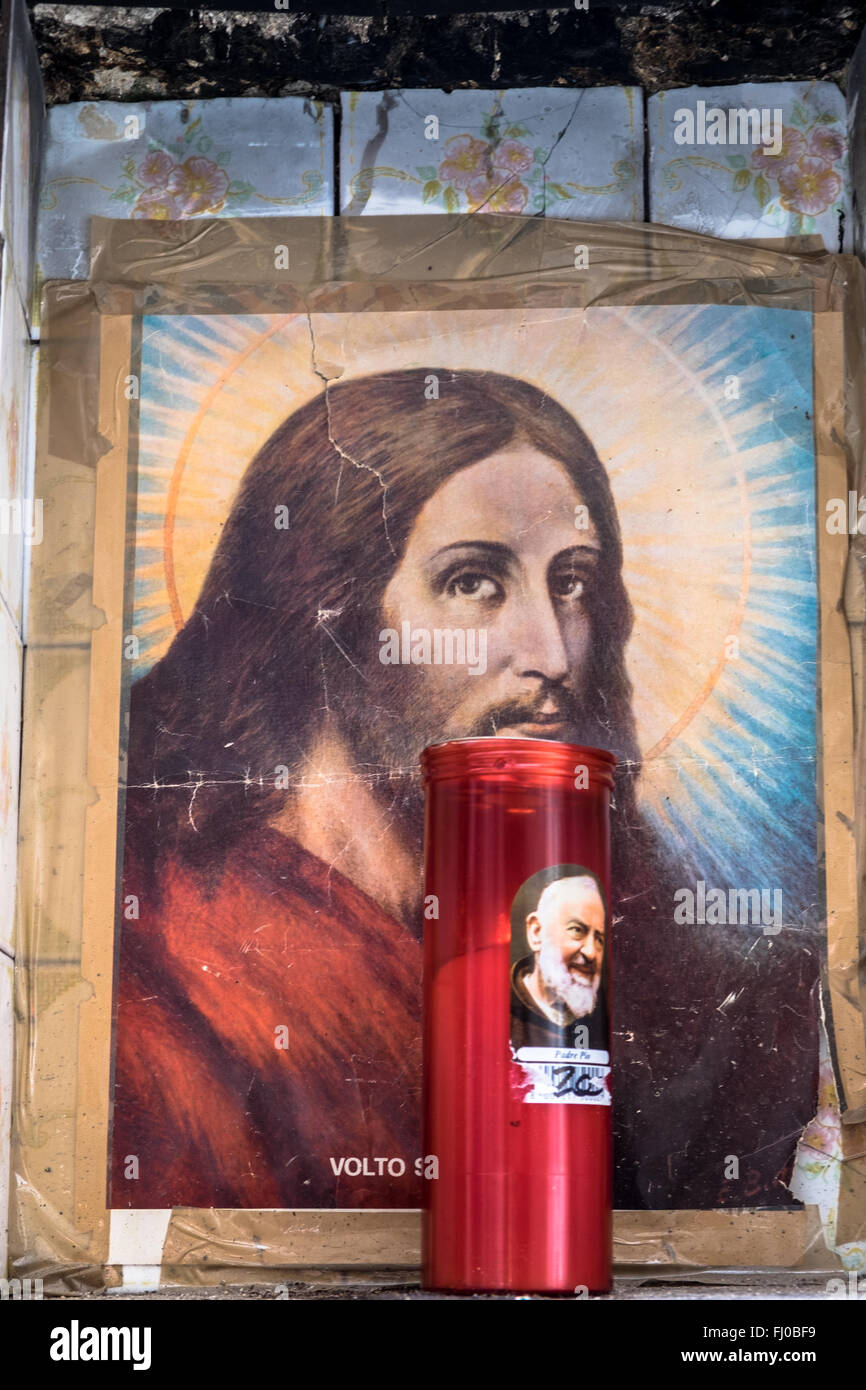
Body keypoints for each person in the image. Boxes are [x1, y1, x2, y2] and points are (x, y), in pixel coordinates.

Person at [111, 367, 818, 1212]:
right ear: (328, 607)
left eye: (572, 582)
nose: (551, 654)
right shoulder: (174, 961)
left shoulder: (578, 922)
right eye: (473, 581)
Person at [510, 874, 608, 1052]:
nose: (591, 952)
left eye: (599, 939)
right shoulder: (496, 1013)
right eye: (577, 930)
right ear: (536, 932)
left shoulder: (604, 1019)